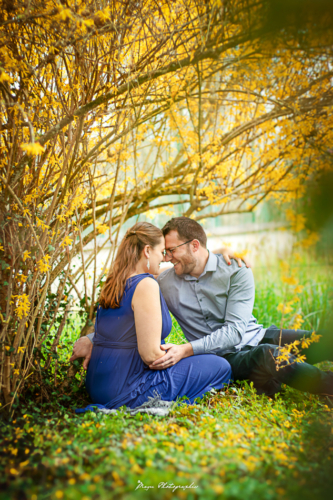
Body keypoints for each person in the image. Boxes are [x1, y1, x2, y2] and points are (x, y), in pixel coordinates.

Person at [73, 216, 333, 399]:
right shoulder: (162, 282)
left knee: (321, 340)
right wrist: (94, 339)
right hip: (225, 355)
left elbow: (235, 332)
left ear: (194, 246)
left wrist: (186, 349)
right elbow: (128, 315)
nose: (166, 257)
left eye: (171, 250)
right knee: (270, 356)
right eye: (164, 252)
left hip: (253, 335)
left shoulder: (236, 270)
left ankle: (274, 374)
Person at [76, 221, 233, 410]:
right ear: (147, 251)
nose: (165, 258)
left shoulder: (114, 282)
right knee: (220, 366)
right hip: (126, 388)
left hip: (97, 386)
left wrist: (219, 254)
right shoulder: (146, 285)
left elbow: (118, 330)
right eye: (162, 252)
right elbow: (151, 356)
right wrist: (182, 352)